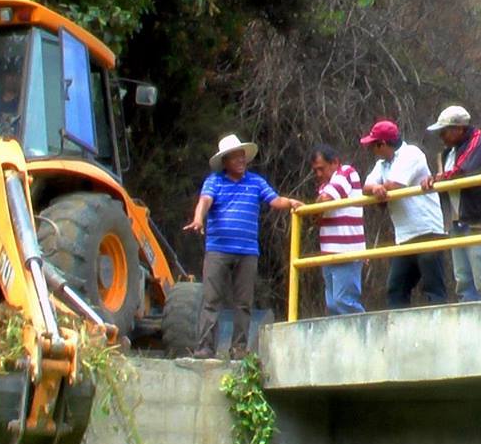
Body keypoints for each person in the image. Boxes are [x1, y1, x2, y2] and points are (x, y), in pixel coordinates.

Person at [183, 133, 298, 358]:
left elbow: (274, 201)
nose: (240, 161)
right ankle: (206, 347)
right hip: (218, 249)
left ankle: (238, 349)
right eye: (235, 158)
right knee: (211, 300)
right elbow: (204, 201)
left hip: (247, 251)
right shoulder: (214, 181)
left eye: (242, 156)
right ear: (225, 161)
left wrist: (292, 202)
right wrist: (198, 219)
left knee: (243, 303)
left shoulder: (256, 182)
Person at [359, 120, 448, 307]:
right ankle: (400, 331)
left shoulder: (411, 154)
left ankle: (440, 329)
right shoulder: (382, 163)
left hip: (427, 231)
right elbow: (366, 187)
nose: (372, 150)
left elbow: (395, 185)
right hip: (404, 237)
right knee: (396, 289)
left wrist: (380, 189)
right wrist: (376, 188)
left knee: (433, 289)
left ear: (382, 144)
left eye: (373, 145)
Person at [428, 105, 481, 302]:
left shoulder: (480, 140)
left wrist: (438, 178)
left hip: (477, 220)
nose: (441, 136)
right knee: (464, 282)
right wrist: (435, 179)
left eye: (444, 131)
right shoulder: (447, 152)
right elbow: (446, 178)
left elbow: (465, 170)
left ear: (459, 128)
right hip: (457, 222)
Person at [310, 144, 366, 315]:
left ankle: (370, 336)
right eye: (315, 171)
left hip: (347, 251)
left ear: (334, 162)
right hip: (329, 252)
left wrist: (319, 205)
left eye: (321, 169)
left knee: (345, 301)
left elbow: (324, 200)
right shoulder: (324, 185)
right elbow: (316, 215)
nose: (319, 174)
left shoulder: (347, 172)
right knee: (333, 304)